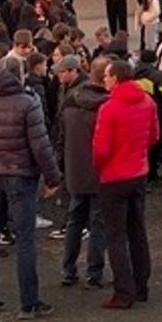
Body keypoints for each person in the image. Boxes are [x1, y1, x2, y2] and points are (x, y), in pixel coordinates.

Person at [0, 63, 64, 320]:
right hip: (20, 175)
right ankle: (29, 302)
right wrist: (53, 178)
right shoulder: (27, 103)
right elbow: (40, 145)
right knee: (26, 239)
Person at [91, 56, 159, 309]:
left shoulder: (109, 108)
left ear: (115, 78)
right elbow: (154, 136)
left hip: (114, 177)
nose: (104, 79)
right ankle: (141, 285)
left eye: (107, 76)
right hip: (138, 173)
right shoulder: (148, 102)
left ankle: (123, 290)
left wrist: (100, 168)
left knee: (116, 235)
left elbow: (101, 149)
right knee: (137, 231)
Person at [57, 56, 112, 288]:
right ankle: (94, 272)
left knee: (74, 220)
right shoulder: (107, 106)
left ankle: (68, 269)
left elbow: (59, 136)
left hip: (74, 169)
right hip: (100, 171)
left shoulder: (69, 101)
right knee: (98, 222)